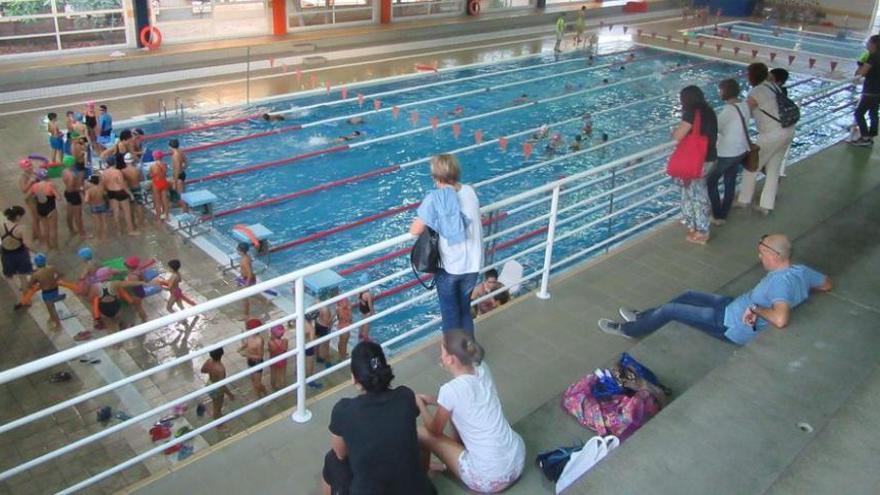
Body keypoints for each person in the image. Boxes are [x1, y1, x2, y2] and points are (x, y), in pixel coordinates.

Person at [598, 234, 832, 344]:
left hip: (730, 325)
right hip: (732, 305)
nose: (759, 256)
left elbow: (781, 319)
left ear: (773, 255)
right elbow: (826, 284)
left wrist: (757, 309)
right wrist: (799, 293)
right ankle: (643, 317)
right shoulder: (800, 271)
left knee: (671, 309)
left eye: (761, 253)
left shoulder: (780, 283)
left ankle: (629, 330)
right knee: (689, 295)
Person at [416, 331, 525, 493]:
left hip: (490, 478)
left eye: (442, 351)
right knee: (456, 415)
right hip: (517, 460)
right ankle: (454, 461)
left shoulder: (450, 390)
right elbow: (464, 401)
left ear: (450, 359)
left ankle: (423, 476)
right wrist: (433, 400)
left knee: (421, 434)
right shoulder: (482, 368)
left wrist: (420, 404)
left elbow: (434, 431)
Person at [322, 341, 435, 495]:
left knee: (332, 461)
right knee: (417, 438)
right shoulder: (405, 396)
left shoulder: (344, 410)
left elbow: (340, 453)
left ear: (354, 378)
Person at [410, 154, 483, 334]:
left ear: (436, 177)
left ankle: (454, 357)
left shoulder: (434, 199)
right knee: (464, 310)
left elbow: (415, 230)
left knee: (450, 316)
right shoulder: (469, 191)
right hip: (473, 264)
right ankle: (468, 353)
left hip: (451, 267)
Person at [737, 63, 796, 215]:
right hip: (788, 130)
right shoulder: (772, 86)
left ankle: (744, 200)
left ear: (752, 76)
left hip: (772, 134)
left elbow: (744, 111)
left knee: (751, 165)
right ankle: (766, 205)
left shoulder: (757, 91)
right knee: (773, 169)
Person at [672, 85, 717, 244]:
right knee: (693, 191)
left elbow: (678, 135)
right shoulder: (709, 111)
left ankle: (703, 232)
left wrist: (673, 131)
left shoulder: (692, 113)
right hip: (709, 157)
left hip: (698, 161)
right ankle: (694, 225)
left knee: (698, 195)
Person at [708, 79, 751, 225]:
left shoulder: (728, 110)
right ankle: (724, 211)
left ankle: (718, 215)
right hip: (741, 150)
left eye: (720, 90)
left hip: (728, 152)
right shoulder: (744, 105)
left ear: (725, 92)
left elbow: (715, 128)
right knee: (730, 180)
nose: (719, 93)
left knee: (710, 182)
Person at [851, 35, 880, 147]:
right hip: (878, 90)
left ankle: (865, 137)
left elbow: (861, 73)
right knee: (873, 113)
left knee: (858, 113)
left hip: (870, 90)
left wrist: (860, 65)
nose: (867, 44)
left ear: (874, 44)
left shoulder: (872, 57)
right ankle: (871, 137)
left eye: (868, 42)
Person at [2, 206, 34, 308]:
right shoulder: (21, 228)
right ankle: (27, 300)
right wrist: (36, 251)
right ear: (18, 217)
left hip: (7, 254)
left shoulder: (1, 226)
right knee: (23, 277)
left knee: (9, 277)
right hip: (20, 254)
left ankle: (19, 298)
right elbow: (27, 244)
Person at [102, 155, 138, 236]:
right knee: (127, 212)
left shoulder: (104, 173)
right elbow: (123, 185)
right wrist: (130, 194)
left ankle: (119, 231)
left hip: (111, 193)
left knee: (116, 211)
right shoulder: (117, 172)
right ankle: (130, 230)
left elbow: (103, 184)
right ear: (115, 162)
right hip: (120, 192)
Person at [29, 253, 66, 329]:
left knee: (51, 308)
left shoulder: (36, 274)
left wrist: (38, 285)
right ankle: (52, 316)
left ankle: (58, 325)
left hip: (46, 293)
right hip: (55, 289)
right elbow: (61, 274)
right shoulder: (52, 268)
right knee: (52, 304)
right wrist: (54, 280)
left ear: (36, 263)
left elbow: (30, 284)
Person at [201, 347, 235, 428]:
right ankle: (219, 425)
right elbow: (221, 385)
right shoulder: (221, 369)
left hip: (209, 384)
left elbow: (203, 370)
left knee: (215, 403)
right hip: (216, 389)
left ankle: (219, 417)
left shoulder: (209, 361)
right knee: (217, 407)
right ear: (222, 354)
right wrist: (229, 394)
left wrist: (211, 371)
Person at [28, 168, 59, 250]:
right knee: (53, 229)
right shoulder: (50, 185)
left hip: (40, 209)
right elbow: (58, 197)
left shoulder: (34, 186)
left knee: (45, 228)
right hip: (51, 208)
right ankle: (55, 247)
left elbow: (29, 196)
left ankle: (48, 246)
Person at [240, 318, 269, 398]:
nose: (247, 330)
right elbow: (247, 343)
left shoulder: (259, 341)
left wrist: (246, 355)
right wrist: (241, 348)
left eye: (249, 328)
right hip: (250, 361)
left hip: (257, 362)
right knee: (253, 380)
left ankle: (265, 393)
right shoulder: (250, 336)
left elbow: (260, 356)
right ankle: (258, 396)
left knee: (258, 383)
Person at [61, 159, 86, 239]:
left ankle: (71, 230)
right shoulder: (72, 175)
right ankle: (82, 234)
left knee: (69, 212)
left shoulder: (64, 171)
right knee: (78, 215)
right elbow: (72, 188)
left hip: (67, 193)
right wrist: (81, 188)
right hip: (73, 195)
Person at [18, 159, 41, 243]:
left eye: (31, 165)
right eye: (28, 167)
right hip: (30, 198)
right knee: (36, 218)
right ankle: (37, 235)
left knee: (38, 217)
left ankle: (35, 234)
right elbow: (23, 190)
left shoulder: (34, 173)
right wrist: (30, 182)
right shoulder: (22, 177)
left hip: (37, 196)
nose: (30, 167)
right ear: (23, 168)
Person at [121, 152, 145, 228]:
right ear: (132, 161)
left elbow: (123, 183)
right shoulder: (137, 169)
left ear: (125, 161)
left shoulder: (123, 171)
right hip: (137, 187)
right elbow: (142, 179)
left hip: (129, 189)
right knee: (139, 205)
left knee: (131, 206)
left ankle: (133, 222)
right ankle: (141, 223)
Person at [84, 175, 108, 240]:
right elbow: (105, 194)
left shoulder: (89, 191)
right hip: (102, 204)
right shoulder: (101, 188)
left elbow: (86, 201)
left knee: (97, 223)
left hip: (94, 206)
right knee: (104, 222)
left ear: (91, 182)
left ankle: (98, 236)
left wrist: (90, 202)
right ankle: (104, 236)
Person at [236, 242, 257, 317]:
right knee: (246, 296)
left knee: (245, 298)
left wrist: (247, 283)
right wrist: (240, 279)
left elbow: (249, 272)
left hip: (249, 279)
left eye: (237, 249)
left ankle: (246, 315)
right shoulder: (247, 256)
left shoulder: (245, 260)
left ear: (240, 250)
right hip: (246, 278)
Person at [149, 151, 171, 221]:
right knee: (165, 200)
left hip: (156, 183)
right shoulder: (164, 164)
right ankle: (167, 216)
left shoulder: (152, 166)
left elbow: (150, 175)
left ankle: (158, 217)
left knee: (157, 201)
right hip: (164, 182)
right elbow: (165, 173)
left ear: (155, 157)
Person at [267, 325, 288, 391]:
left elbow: (271, 351)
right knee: (282, 374)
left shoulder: (270, 342)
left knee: (273, 373)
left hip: (274, 359)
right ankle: (283, 386)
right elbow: (285, 350)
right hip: (282, 359)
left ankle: (273, 386)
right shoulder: (285, 341)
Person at [169, 139, 188, 210]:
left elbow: (176, 169)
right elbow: (186, 162)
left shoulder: (175, 155)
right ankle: (185, 208)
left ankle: (185, 211)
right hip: (183, 174)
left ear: (170, 147)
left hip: (178, 176)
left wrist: (175, 181)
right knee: (183, 194)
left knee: (180, 195)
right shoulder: (181, 151)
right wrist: (183, 168)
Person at [315, 302, 334, 368]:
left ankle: (318, 357)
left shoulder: (318, 303)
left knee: (317, 342)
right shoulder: (326, 309)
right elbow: (327, 322)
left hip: (318, 323)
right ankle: (327, 362)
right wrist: (332, 317)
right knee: (326, 346)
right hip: (324, 327)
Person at [336, 294, 353, 360]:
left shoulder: (339, 308)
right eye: (346, 301)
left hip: (341, 325)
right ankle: (343, 356)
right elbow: (348, 319)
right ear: (341, 303)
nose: (348, 302)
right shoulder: (342, 310)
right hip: (345, 327)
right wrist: (350, 310)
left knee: (341, 341)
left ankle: (341, 353)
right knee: (344, 342)